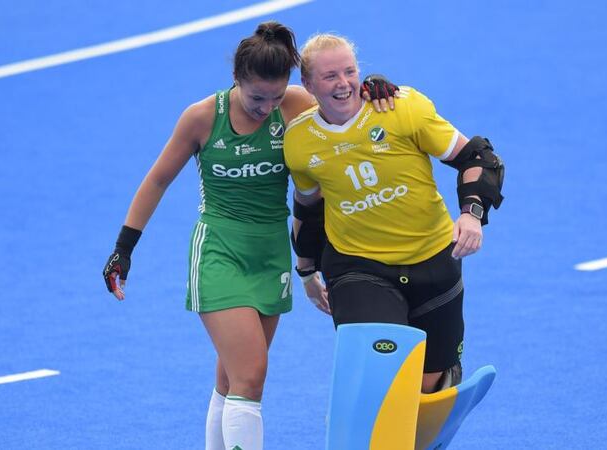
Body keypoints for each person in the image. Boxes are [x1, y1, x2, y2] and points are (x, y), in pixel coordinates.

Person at [101, 23, 397, 450]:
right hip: (220, 253)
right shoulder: (202, 118)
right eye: (257, 97)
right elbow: (157, 181)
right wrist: (122, 250)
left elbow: (342, 101)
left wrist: (372, 87)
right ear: (236, 80)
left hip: (271, 254)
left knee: (231, 377)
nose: (266, 108)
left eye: (276, 97)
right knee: (251, 374)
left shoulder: (296, 104)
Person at [284, 33, 504, 394]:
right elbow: (308, 211)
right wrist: (307, 273)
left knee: (431, 385)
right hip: (358, 266)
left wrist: (471, 214)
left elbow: (479, 158)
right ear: (307, 85)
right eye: (329, 76)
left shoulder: (402, 108)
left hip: (433, 258)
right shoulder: (299, 141)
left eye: (349, 72)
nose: (343, 84)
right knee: (383, 375)